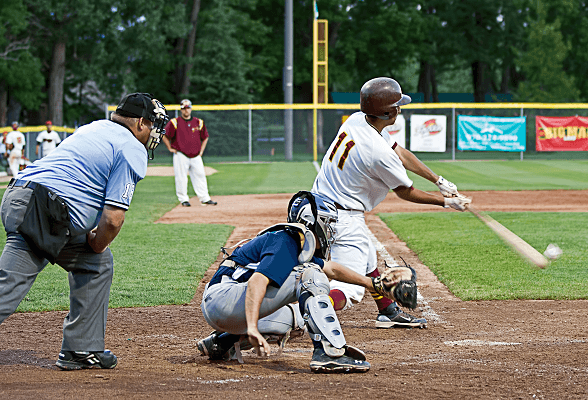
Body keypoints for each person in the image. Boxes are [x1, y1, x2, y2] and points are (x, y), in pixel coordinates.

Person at [0, 93, 169, 388]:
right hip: (42, 211)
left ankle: (82, 348)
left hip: (31, 199)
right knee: (10, 284)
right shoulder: (132, 146)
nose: (156, 132)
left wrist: (94, 248)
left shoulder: (95, 127)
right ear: (141, 122)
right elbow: (113, 219)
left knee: (96, 263)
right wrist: (96, 241)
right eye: (154, 124)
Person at [311, 77, 471, 329]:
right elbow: (406, 192)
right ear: (386, 112)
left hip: (318, 205)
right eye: (397, 105)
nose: (399, 108)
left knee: (369, 260)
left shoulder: (357, 119)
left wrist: (438, 179)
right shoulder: (377, 153)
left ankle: (387, 311)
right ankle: (300, 315)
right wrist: (446, 202)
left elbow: (400, 152)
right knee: (349, 290)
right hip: (344, 216)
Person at [197, 191, 387, 373]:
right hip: (223, 300)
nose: (330, 230)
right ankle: (330, 352)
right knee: (310, 275)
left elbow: (331, 268)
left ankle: (223, 342)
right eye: (327, 223)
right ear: (313, 222)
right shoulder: (286, 242)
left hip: (224, 305)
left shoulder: (295, 243)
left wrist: (374, 284)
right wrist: (253, 326)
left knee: (300, 318)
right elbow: (257, 282)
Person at [161, 99, 217, 207]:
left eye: (187, 108)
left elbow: (205, 137)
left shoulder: (198, 122)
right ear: (181, 110)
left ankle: (205, 198)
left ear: (191, 108)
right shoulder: (175, 122)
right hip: (181, 154)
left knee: (200, 176)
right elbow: (164, 135)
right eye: (184, 108)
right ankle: (183, 199)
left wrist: (201, 151)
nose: (186, 110)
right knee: (181, 177)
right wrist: (170, 148)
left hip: (196, 155)